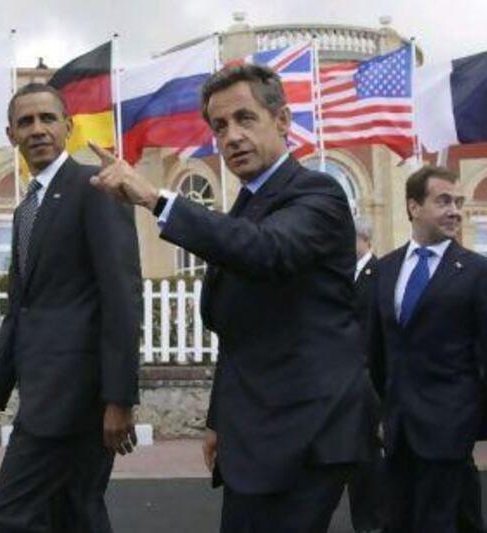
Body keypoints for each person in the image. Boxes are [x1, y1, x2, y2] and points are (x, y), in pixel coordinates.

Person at [89, 64, 370, 533]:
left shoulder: (317, 194)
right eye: (220, 126)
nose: (232, 136)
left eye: (245, 118)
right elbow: (240, 334)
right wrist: (221, 419)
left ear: (282, 121)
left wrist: (156, 199)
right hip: (252, 430)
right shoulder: (245, 207)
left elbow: (268, 250)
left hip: (307, 431)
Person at [0, 83, 143, 533]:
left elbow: (122, 297)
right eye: (26, 122)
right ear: (11, 134)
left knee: (8, 513)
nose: (38, 129)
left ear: (68, 126)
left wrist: (120, 398)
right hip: (43, 394)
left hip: (79, 398)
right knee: (75, 512)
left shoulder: (95, 187)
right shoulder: (26, 210)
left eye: (48, 119)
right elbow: (20, 310)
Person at [366, 165, 487, 533]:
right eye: (443, 201)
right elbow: (376, 350)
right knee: (399, 519)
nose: (455, 210)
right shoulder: (385, 270)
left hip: (450, 422)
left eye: (458, 202)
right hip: (398, 426)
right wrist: (375, 410)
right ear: (413, 207)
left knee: (438, 520)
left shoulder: (478, 271)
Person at [346, 217, 384, 533]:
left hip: (370, 377)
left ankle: (372, 521)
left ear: (364, 239)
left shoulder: (380, 274)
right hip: (342, 378)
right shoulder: (342, 275)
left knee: (368, 454)